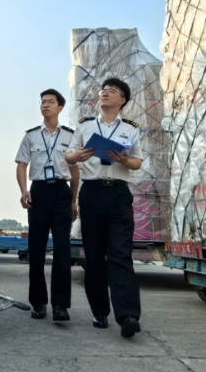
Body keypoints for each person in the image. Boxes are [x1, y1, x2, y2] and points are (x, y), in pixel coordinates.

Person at [65, 77, 143, 338]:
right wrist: (76, 157)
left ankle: (128, 316)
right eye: (103, 91)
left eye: (112, 91)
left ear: (122, 100)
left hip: (119, 194)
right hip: (92, 193)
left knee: (121, 254)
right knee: (95, 257)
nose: (105, 93)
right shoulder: (85, 127)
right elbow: (68, 155)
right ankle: (100, 312)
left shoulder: (131, 129)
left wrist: (125, 160)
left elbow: (138, 162)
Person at [15, 88, 80, 321]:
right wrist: (24, 191)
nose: (45, 105)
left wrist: (73, 201)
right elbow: (21, 164)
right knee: (37, 249)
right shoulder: (31, 136)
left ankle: (61, 306)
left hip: (61, 192)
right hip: (39, 192)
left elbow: (74, 171)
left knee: (63, 250)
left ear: (60, 107)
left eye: (50, 102)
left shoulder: (70, 136)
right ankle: (39, 303)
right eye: (42, 102)